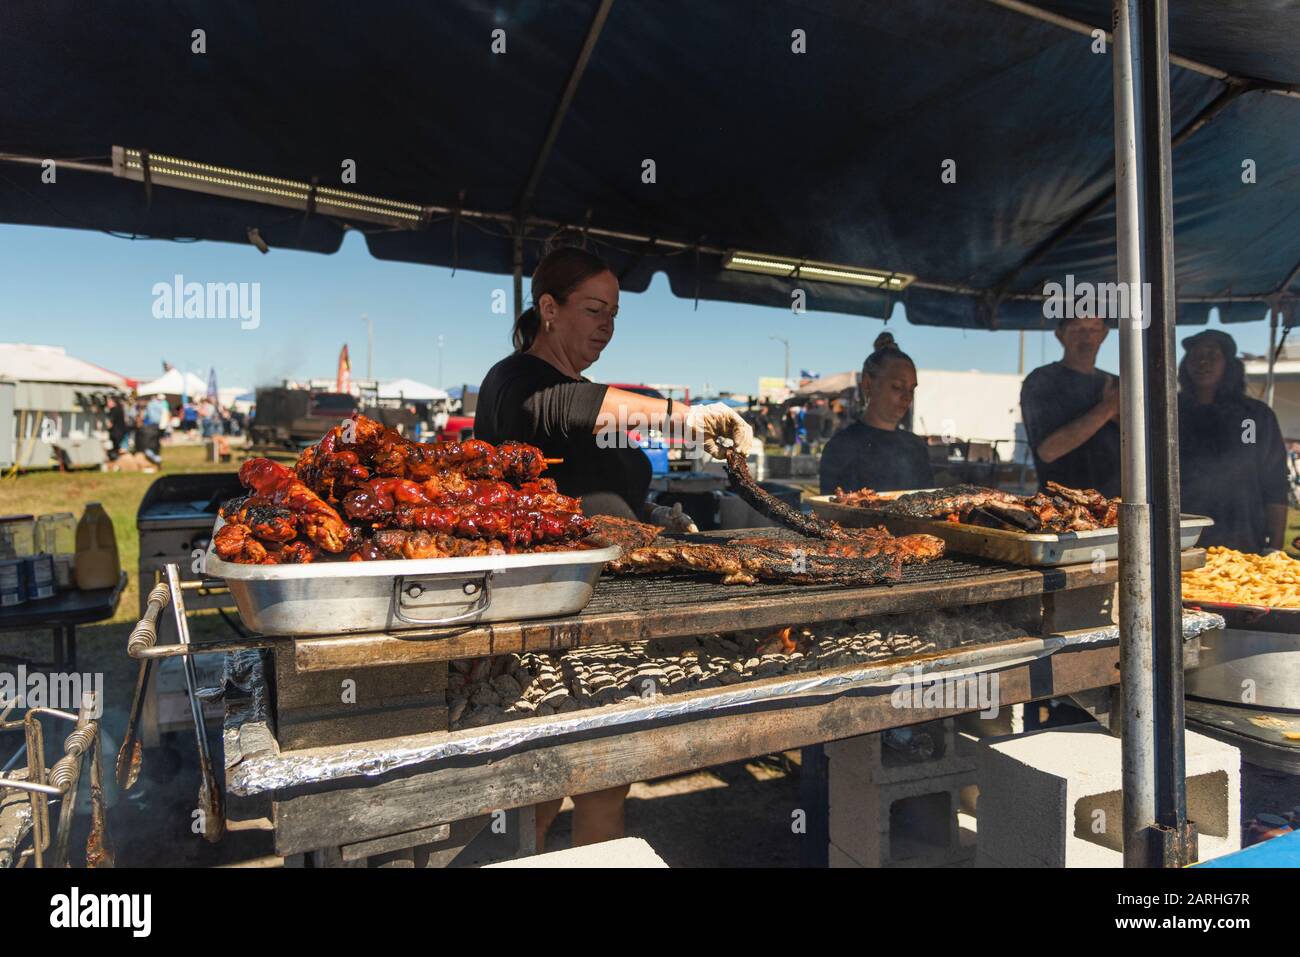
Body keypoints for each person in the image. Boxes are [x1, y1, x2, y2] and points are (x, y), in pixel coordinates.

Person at [476, 245, 754, 849]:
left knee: (605, 778)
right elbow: (563, 411)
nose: (606, 326)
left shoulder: (587, 391)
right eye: (594, 309)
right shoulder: (516, 380)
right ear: (549, 309)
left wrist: (651, 513)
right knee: (542, 784)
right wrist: (690, 418)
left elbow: (591, 483)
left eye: (615, 314)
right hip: (548, 624)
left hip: (613, 619)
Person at [1178, 330, 1289, 553]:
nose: (1202, 362)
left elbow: (1275, 482)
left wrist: (1275, 546)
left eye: (1212, 355)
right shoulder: (1169, 413)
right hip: (1182, 537)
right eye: (1195, 355)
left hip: (1243, 536)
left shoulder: (1256, 415)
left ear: (1229, 365)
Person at [1020, 315, 1121, 497]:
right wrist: (1109, 408)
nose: (1087, 336)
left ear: (1104, 334)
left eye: (1094, 328)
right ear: (1060, 334)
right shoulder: (1042, 381)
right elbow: (1049, 451)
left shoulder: (1116, 384)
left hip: (1116, 506)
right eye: (1077, 329)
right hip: (1061, 508)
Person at [819, 332, 934, 494]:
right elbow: (833, 510)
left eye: (911, 389)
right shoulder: (841, 447)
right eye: (897, 387)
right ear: (868, 385)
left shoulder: (916, 447)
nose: (907, 397)